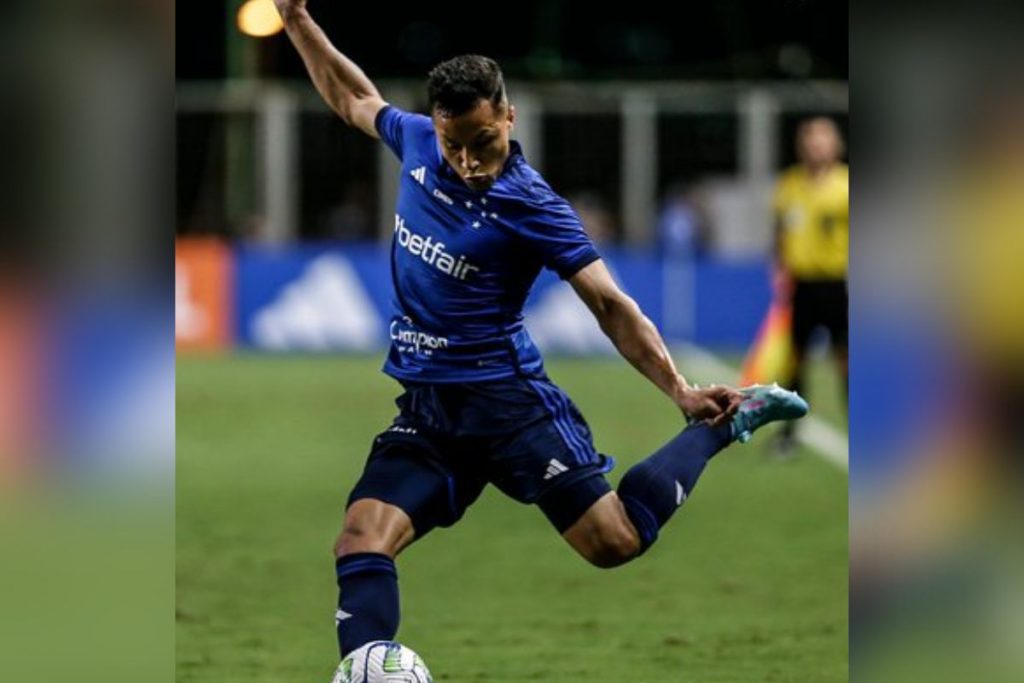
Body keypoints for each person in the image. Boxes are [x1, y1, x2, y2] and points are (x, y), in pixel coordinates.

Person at [273, 0, 808, 669]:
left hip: (509, 406)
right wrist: (296, 21)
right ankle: (369, 665)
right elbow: (353, 97)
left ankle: (720, 428)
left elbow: (610, 304)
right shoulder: (416, 143)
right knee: (359, 538)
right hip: (433, 409)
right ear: (434, 127)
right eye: (454, 145)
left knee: (614, 542)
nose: (467, 160)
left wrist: (679, 389)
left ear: (508, 117)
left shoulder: (534, 207)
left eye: (482, 143)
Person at [772, 117, 848, 452]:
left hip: (837, 283)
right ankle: (789, 433)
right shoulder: (790, 184)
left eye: (823, 139)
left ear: (836, 145)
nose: (816, 145)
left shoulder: (846, 185)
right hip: (801, 284)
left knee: (846, 359)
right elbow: (780, 231)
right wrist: (778, 267)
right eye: (811, 138)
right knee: (795, 359)